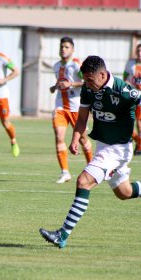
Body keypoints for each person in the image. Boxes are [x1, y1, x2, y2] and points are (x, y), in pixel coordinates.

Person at [39, 55, 141, 249]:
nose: (86, 84)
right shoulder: (88, 89)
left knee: (83, 181)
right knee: (124, 192)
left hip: (118, 149)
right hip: (104, 146)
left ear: (102, 75)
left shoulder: (124, 90)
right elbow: (82, 119)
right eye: (84, 79)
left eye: (89, 80)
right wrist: (75, 138)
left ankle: (62, 234)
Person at [50, 36, 92, 184]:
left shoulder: (76, 65)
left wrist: (72, 84)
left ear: (72, 50)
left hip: (76, 107)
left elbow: (87, 81)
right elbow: (60, 82)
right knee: (59, 137)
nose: (63, 49)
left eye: (67, 47)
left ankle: (93, 168)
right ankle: (65, 172)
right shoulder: (56, 66)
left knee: (82, 139)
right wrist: (54, 87)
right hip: (60, 106)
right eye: (62, 47)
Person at [123, 43, 141, 155]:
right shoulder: (130, 64)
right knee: (126, 120)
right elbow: (125, 78)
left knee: (139, 122)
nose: (139, 53)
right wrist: (127, 84)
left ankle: (139, 146)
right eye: (138, 51)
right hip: (131, 96)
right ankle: (138, 142)